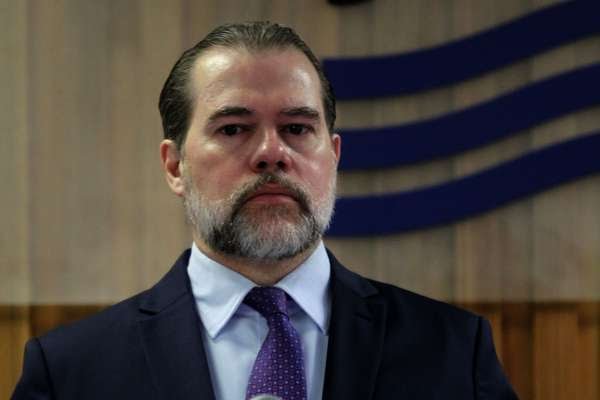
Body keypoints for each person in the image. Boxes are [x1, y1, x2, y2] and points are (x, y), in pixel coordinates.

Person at [12, 22, 518, 400]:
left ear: (333, 157)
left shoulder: (455, 351)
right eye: (233, 129)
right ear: (174, 166)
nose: (272, 153)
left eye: (297, 128)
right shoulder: (71, 372)